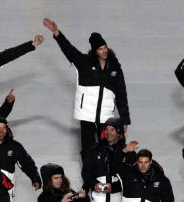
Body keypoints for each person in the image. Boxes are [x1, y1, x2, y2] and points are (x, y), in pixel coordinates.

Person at [43, 18, 131, 157]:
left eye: (105, 48)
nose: (104, 51)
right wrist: (56, 32)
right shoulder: (84, 63)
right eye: (100, 49)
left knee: (110, 148)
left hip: (105, 116)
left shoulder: (114, 67)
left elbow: (121, 93)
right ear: (95, 51)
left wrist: (124, 119)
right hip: (87, 116)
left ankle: (108, 176)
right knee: (88, 150)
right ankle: (89, 178)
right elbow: (69, 50)